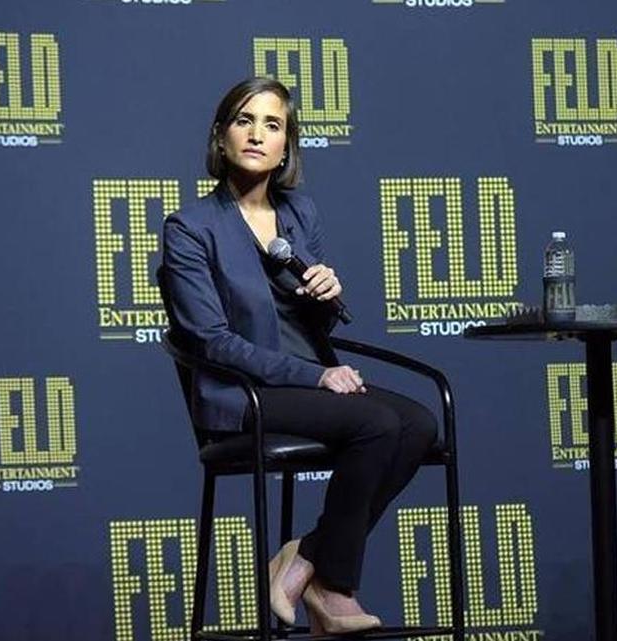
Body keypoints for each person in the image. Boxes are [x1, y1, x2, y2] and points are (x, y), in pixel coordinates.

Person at [160, 77, 436, 635]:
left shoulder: (299, 213)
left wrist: (328, 297)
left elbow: (305, 321)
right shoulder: (190, 229)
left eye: (273, 124)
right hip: (243, 394)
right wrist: (315, 376)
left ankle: (307, 557)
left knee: (419, 422)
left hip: (309, 378)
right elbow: (213, 341)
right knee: (378, 424)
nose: (258, 134)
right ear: (220, 137)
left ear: (287, 145)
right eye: (244, 121)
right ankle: (333, 588)